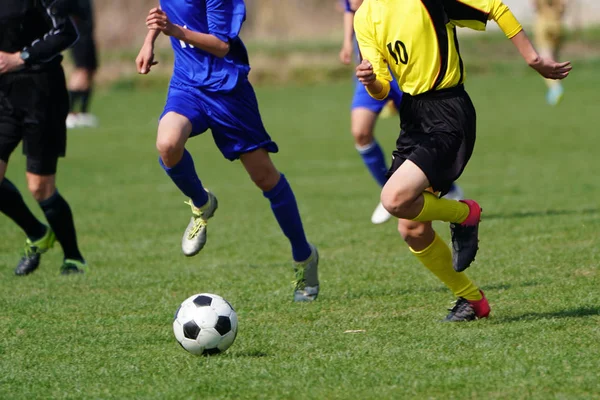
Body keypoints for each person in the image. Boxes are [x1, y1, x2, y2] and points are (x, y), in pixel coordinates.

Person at [354, 0, 570, 321]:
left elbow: (495, 6)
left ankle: (464, 213)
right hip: (413, 118)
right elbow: (383, 86)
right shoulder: (365, 16)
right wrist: (371, 80)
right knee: (411, 228)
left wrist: (533, 58)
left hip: (449, 112)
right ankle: (472, 300)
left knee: (393, 198)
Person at [135, 0, 319, 302]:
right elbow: (163, 8)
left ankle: (304, 256)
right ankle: (202, 203)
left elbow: (221, 45)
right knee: (167, 144)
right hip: (187, 85)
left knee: (265, 178)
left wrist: (174, 30)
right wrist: (149, 41)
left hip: (227, 90)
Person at [339, 0, 464, 225]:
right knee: (360, 132)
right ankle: (387, 189)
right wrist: (347, 43)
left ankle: (445, 187)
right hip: (373, 67)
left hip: (405, 69)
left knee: (426, 134)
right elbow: (352, 7)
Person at [0, 0, 88, 275]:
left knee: (40, 186)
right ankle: (37, 233)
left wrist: (20, 57)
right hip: (4, 96)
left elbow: (66, 32)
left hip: (42, 94)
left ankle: (73, 257)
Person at [66, 0, 100, 128]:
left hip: (88, 37)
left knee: (91, 71)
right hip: (79, 38)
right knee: (81, 71)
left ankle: (83, 112)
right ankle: (69, 112)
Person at [532, 0, 568, 105]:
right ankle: (557, 86)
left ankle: (555, 88)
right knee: (556, 59)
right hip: (558, 25)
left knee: (545, 59)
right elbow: (564, 7)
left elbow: (534, 5)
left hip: (543, 26)